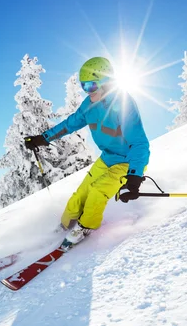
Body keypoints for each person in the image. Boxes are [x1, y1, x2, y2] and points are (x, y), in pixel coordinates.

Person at [24, 56, 150, 246]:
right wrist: (44, 138)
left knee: (97, 192)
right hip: (107, 158)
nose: (87, 91)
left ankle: (86, 227)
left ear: (106, 83)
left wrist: (134, 176)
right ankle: (65, 226)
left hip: (127, 161)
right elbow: (70, 124)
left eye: (91, 86)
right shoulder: (89, 105)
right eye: (83, 86)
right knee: (80, 196)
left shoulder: (123, 104)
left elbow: (139, 143)